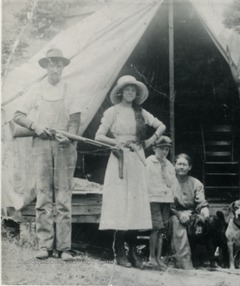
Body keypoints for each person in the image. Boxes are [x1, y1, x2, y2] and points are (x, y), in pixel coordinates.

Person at [13, 48, 81, 260]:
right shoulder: (36, 89)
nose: (55, 69)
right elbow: (18, 116)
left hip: (64, 147)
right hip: (41, 146)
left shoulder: (70, 88)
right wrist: (35, 125)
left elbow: (75, 119)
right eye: (51, 64)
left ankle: (64, 248)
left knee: (63, 196)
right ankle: (45, 246)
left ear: (62, 67)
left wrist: (68, 136)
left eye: (59, 65)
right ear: (46, 67)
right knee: (43, 194)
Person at [95, 75, 166, 268]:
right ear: (120, 92)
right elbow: (99, 135)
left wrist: (149, 142)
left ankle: (133, 251)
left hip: (137, 158)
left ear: (136, 93)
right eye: (127, 89)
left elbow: (161, 126)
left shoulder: (141, 112)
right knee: (121, 203)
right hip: (119, 158)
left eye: (133, 90)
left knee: (136, 203)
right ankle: (119, 251)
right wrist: (116, 142)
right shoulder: (113, 111)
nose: (130, 92)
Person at [169, 153, 209, 269]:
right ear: (174, 165)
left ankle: (207, 258)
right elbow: (168, 205)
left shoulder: (196, 183)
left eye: (184, 165)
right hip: (173, 213)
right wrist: (179, 214)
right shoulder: (169, 182)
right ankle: (183, 262)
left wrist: (205, 212)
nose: (181, 167)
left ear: (189, 167)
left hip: (192, 213)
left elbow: (201, 202)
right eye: (179, 164)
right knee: (177, 222)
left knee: (206, 221)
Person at [144, 135, 176, 269]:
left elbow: (171, 183)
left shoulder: (169, 165)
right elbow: (145, 183)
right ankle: (152, 257)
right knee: (156, 228)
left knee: (162, 228)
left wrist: (164, 168)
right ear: (154, 148)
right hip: (153, 199)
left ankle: (158, 258)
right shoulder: (148, 162)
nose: (164, 152)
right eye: (162, 149)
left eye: (167, 150)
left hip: (165, 199)